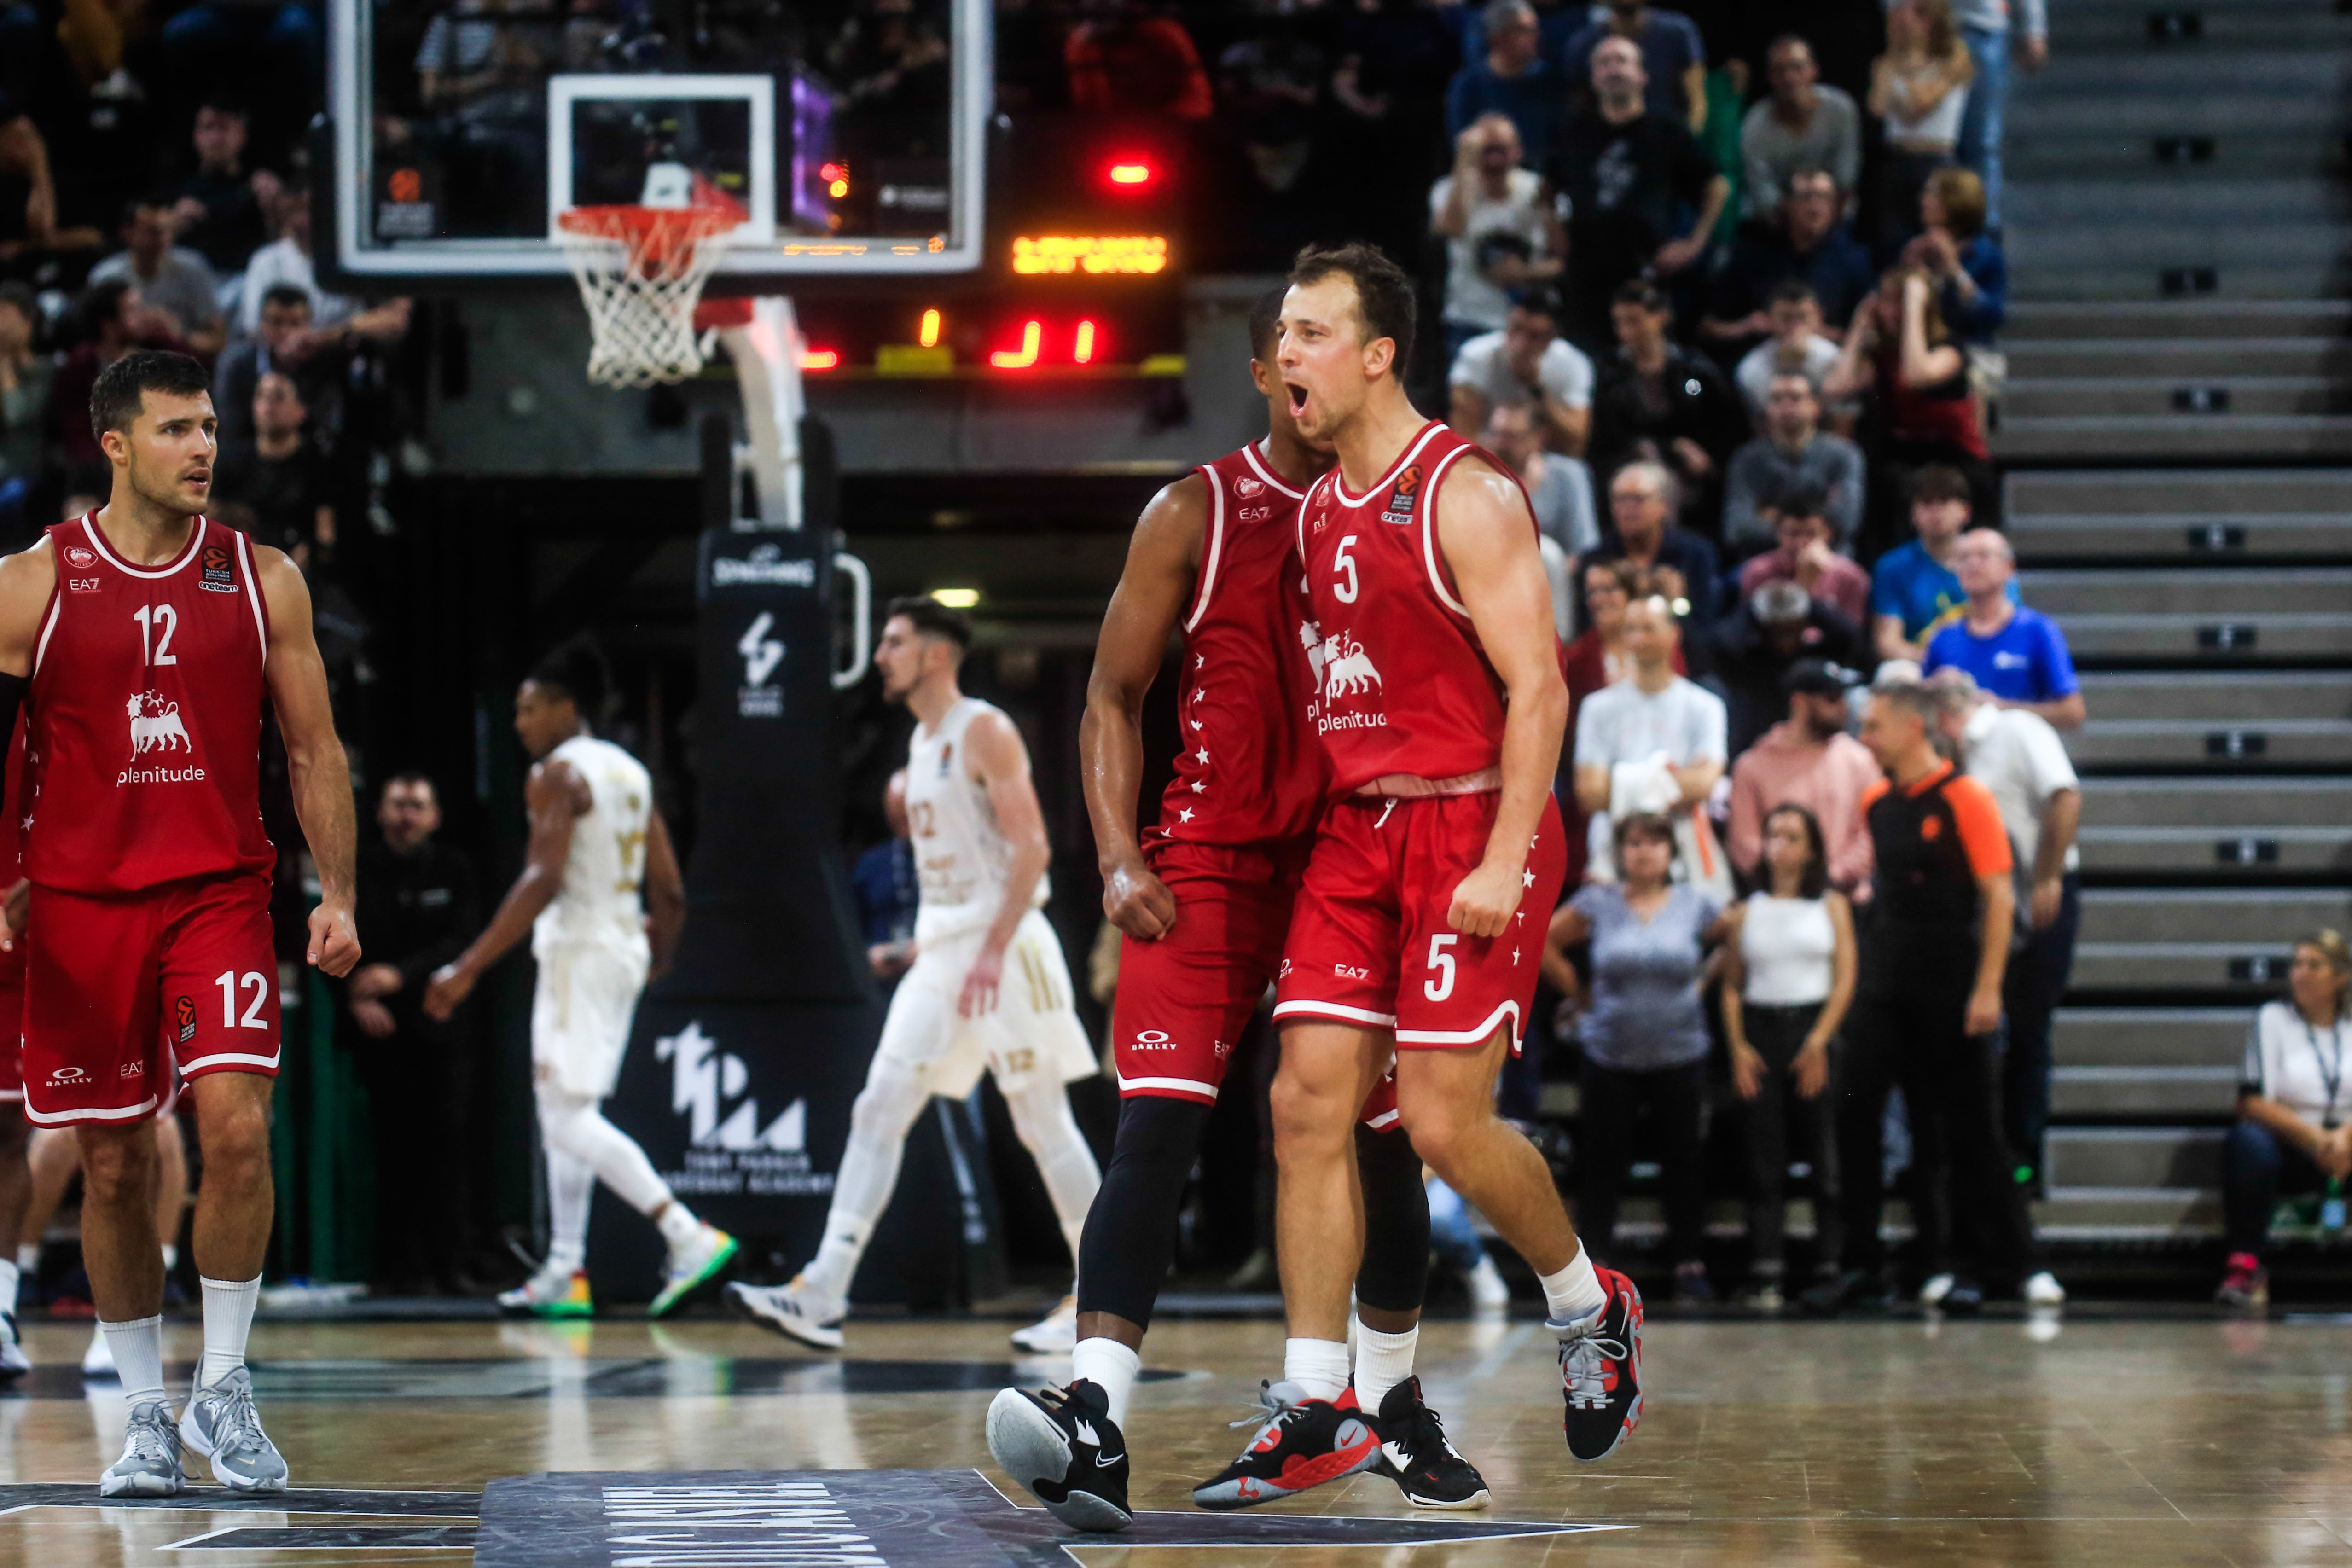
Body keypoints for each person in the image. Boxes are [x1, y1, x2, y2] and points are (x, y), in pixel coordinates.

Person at [987, 294, 1487, 1531]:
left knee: (1377, 1139)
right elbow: (1110, 693)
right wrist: (1111, 857)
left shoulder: (1407, 502)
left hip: (1345, 854)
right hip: (1204, 863)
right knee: (1153, 1126)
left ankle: (1387, 1399)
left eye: (1331, 340)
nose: (1307, 366)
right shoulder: (1195, 510)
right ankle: (1092, 1409)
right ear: (1263, 368)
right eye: (1291, 345)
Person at [1205, 242, 1635, 1495]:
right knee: (1304, 1102)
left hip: (1469, 820)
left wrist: (1505, 853)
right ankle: (1315, 1396)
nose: (1284, 353)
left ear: (1377, 352)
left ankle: (1583, 1301)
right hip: (1359, 831)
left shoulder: (1466, 492)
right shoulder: (1315, 506)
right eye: (1281, 332)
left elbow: (1539, 689)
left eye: (1310, 333)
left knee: (1442, 1123)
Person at [0, 348, 361, 1496]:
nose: (204, 447)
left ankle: (227, 1387)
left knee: (239, 1132)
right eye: (174, 430)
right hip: (78, 902)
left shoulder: (262, 577)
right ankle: (148, 1418)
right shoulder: (32, 581)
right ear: (113, 444)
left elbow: (312, 748)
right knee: (109, 1167)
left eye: (208, 426)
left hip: (217, 888)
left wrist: (339, 893)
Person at [728, 600, 1101, 1357]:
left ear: (934, 654)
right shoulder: (920, 738)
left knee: (1040, 1121)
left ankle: (1099, 1298)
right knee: (879, 1106)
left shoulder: (983, 728)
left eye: (893, 642)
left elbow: (1031, 849)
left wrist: (994, 949)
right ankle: (823, 1289)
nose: (879, 655)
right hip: (942, 951)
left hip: (1001, 945)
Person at [423, 644, 735, 1320]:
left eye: (531, 707)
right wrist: (657, 955)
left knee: (566, 1115)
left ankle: (686, 1232)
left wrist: (467, 967)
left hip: (579, 948)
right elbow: (672, 892)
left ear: (568, 707)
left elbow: (543, 877)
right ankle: (566, 1266)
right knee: (563, 1109)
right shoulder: (632, 773)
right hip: (620, 946)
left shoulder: (557, 773)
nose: (520, 721)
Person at [1802, 681, 2062, 1315]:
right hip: (1887, 981)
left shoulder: (1964, 798)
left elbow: (1999, 896)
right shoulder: (1878, 802)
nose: (1865, 738)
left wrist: (1988, 987)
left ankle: (1988, 1263)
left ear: (1915, 728)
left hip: (1953, 982)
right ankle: (1862, 1264)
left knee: (1967, 1125)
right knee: (1855, 1111)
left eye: (1876, 727)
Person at [1543, 813, 1729, 1300]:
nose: (1643, 851)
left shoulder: (1694, 903)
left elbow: (1735, 940)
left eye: (1654, 842)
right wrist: (1579, 992)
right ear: (1620, 852)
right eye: (1634, 843)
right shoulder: (1599, 903)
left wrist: (1705, 984)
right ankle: (1595, 1269)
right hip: (1609, 1052)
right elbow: (1546, 942)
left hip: (1680, 1050)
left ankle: (1689, 1263)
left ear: (1671, 851)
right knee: (1602, 1163)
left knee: (1683, 1160)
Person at [1935, 669, 2079, 1194]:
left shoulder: (2017, 731)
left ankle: (2024, 1161)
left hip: (2036, 892)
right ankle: (1986, 1158)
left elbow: (2065, 795)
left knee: (2027, 1027)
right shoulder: (1959, 756)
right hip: (1986, 903)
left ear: (1947, 714)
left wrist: (2049, 875)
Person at [343, 772, 482, 1296]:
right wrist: (358, 996)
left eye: (417, 805)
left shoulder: (456, 869)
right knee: (392, 1148)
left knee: (448, 1142)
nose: (407, 815)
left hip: (442, 1027)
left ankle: (454, 1266)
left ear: (435, 816)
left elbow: (464, 939)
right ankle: (396, 1269)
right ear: (379, 812)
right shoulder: (358, 871)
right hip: (382, 1033)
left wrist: (401, 974)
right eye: (398, 804)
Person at [1720, 802, 1854, 1307]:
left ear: (1812, 848)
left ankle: (1828, 1266)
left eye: (1792, 836)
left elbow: (1846, 977)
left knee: (1825, 1156)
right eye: (1773, 833)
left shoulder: (1831, 905)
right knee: (1763, 1158)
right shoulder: (1747, 909)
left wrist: (1819, 1038)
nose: (1780, 844)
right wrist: (1737, 1046)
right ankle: (1767, 1268)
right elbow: (1732, 986)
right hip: (1761, 1029)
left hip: (1814, 1028)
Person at [1545, 38, 1727, 346]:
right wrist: (1553, 229)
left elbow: (1717, 185)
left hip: (1647, 270)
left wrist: (1694, 243)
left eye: (1621, 61)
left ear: (1643, 75)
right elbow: (1547, 188)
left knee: (1651, 358)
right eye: (1603, 63)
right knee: (1590, 362)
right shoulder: (1573, 131)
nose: (1612, 69)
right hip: (1586, 275)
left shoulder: (1668, 130)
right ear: (1592, 78)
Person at [2218, 932, 2352, 1310]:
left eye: (2313, 965)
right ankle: (2245, 1264)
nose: (2300, 973)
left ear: (2339, 978)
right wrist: (2315, 1139)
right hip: (2291, 1148)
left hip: (2346, 1149)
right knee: (2247, 1142)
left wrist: (2343, 1139)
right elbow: (2252, 1102)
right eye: (2296, 965)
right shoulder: (2273, 1019)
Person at [1572, 590, 1727, 880]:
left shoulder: (1706, 707)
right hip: (1611, 855)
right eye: (1631, 629)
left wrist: (1620, 780)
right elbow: (1590, 793)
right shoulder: (1598, 707)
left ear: (1673, 633)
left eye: (1649, 628)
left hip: (1683, 856)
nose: (1639, 638)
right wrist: (1665, 776)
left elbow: (1705, 784)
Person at [1825, 270, 1991, 540]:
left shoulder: (1949, 349)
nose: (1889, 311)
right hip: (1904, 457)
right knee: (1883, 479)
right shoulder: (1881, 353)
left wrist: (1914, 309)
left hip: (1954, 456)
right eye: (1885, 302)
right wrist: (1858, 328)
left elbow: (1916, 376)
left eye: (1898, 303)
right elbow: (1834, 389)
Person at [1588, 281, 1744, 525]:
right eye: (1620, 323)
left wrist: (1709, 459)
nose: (1627, 332)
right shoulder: (1610, 376)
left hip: (1695, 473)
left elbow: (1726, 424)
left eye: (1635, 321)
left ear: (1661, 316)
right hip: (1634, 465)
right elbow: (1607, 437)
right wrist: (1669, 446)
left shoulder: (1696, 371)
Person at [1726, 658, 1876, 896]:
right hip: (1776, 902)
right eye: (1832, 698)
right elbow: (1745, 843)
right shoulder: (1753, 765)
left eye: (1843, 697)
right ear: (1800, 702)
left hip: (1849, 902)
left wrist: (1829, 877)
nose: (1844, 708)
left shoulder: (1860, 760)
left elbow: (1871, 834)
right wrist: (1785, 882)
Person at [1431, 122, 1565, 372]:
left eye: (1501, 150)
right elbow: (1449, 230)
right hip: (1469, 318)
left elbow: (1563, 259)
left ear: (1518, 151)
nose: (1494, 160)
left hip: (1529, 322)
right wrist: (1464, 164)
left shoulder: (1539, 190)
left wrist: (1524, 274)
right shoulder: (1450, 190)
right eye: (1486, 150)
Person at [1701, 168, 1874, 362]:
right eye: (1806, 197)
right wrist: (1744, 327)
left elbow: (1870, 337)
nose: (1816, 208)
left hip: (1827, 369)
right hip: (1759, 364)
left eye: (1825, 198)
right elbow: (1707, 326)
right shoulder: (1752, 255)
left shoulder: (1854, 260)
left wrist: (1816, 333)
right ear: (1786, 204)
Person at [1922, 529, 2083, 729]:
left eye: (1984, 556)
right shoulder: (1943, 636)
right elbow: (1920, 714)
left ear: (2008, 567)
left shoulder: (2037, 631)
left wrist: (2001, 709)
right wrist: (1934, 691)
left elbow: (2073, 713)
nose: (1972, 564)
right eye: (1964, 558)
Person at [1869, 0, 1973, 256]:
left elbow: (1920, 105)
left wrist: (1901, 74)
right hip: (1896, 159)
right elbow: (1877, 107)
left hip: (1936, 161)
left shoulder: (1955, 59)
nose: (1906, 21)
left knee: (1938, 244)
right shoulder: (1887, 62)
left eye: (1918, 15)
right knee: (1893, 245)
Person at [1716, 581, 1866, 759]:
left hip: (1814, 740)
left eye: (1792, 628)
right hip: (1759, 736)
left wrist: (1809, 605)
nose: (1786, 638)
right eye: (1780, 630)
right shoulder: (1751, 656)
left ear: (1804, 623)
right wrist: (1753, 610)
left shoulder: (1816, 653)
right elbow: (1721, 642)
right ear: (1765, 627)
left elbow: (1849, 635)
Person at [1870, 465, 2004, 663]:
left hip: (1984, 662)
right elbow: (1888, 643)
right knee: (1896, 675)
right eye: (1926, 503)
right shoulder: (1892, 567)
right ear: (1913, 514)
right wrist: (1938, 663)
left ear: (1965, 511)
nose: (1935, 512)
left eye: (1944, 501)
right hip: (1919, 667)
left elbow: (2006, 629)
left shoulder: (1992, 559)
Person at [1580, 459, 1722, 641]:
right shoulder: (1596, 560)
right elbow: (1585, 630)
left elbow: (1704, 631)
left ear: (1664, 505)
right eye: (1620, 500)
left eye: (1638, 499)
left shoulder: (1695, 555)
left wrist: (1677, 604)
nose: (1627, 509)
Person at [1722, 375, 1866, 556]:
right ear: (1767, 409)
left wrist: (1772, 516)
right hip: (1765, 560)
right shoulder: (1747, 459)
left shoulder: (1845, 454)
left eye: (1796, 398)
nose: (1786, 406)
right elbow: (1737, 529)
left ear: (1815, 406)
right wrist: (1816, 520)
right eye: (1777, 399)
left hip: (1830, 558)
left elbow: (1846, 522)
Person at [1447, 292, 1591, 458]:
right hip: (1487, 453)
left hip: (1544, 459)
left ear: (1552, 338)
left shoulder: (1573, 365)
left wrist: (1537, 390)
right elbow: (1463, 434)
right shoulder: (1477, 356)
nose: (1520, 345)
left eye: (1534, 336)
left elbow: (1576, 443)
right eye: (1515, 330)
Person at [209, 372, 331, 563]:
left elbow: (326, 534)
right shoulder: (229, 461)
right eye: (261, 396)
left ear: (301, 410)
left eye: (279, 396)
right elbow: (207, 523)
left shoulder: (316, 465)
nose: (268, 404)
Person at [1951, 0, 2047, 233]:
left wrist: (2033, 28)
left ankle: (1984, 230)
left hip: (1983, 27)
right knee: (1935, 145)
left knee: (1983, 141)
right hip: (1928, 26)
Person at [88, 201, 226, 360]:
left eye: (167, 231)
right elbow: (92, 345)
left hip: (181, 366)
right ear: (128, 233)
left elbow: (218, 342)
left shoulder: (193, 269)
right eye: (153, 232)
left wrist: (178, 333)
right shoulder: (106, 277)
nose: (162, 240)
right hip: (121, 365)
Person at [1741, 36, 1861, 218]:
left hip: (1832, 213)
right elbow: (1762, 189)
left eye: (1797, 68)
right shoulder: (1755, 124)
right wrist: (1796, 215)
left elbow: (1846, 177)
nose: (1789, 78)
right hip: (1778, 219)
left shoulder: (1841, 109)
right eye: (1780, 71)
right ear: (1770, 78)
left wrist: (1820, 211)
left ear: (1814, 70)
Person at [163, 101, 276, 277]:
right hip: (191, 283)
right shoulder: (174, 189)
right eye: (208, 128)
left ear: (242, 136)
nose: (216, 138)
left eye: (225, 129)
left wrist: (274, 210)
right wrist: (172, 227)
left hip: (246, 279)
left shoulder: (261, 186)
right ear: (196, 136)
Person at [1557, 0, 1708, 131]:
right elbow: (1575, 106)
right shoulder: (1583, 43)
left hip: (1667, 139)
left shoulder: (1677, 32)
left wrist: (1686, 141)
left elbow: (1697, 99)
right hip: (1605, 142)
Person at [1442, 0, 1559, 169]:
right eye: (1525, 30)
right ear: (1498, 38)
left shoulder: (1548, 81)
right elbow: (1463, 146)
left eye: (1535, 29)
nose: (1536, 36)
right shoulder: (1468, 87)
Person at [1484, 400, 1597, 562]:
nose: (1501, 445)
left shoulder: (1567, 475)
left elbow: (1583, 548)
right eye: (1496, 434)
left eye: (1512, 437)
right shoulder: (1478, 479)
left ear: (1538, 438)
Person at [1737, 488, 1869, 625]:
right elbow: (1761, 631)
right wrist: (1803, 585)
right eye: (1793, 534)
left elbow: (1851, 637)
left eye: (1811, 534)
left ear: (1828, 534)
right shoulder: (1757, 572)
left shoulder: (1852, 577)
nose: (1800, 543)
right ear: (1778, 533)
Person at [1905, 167, 2004, 345]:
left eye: (1932, 194)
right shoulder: (1919, 247)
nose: (1923, 200)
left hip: (1968, 349)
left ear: (1954, 201)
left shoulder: (1984, 254)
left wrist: (1954, 269)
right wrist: (1909, 268)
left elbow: (1993, 316)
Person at [1731, 284, 1851, 430]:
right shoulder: (1751, 370)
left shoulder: (1835, 361)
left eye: (1803, 317)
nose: (1795, 327)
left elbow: (1844, 428)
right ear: (1769, 319)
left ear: (1818, 317)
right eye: (1787, 318)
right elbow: (1762, 433)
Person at [851, 769, 918, 982]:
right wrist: (865, 957)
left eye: (909, 817)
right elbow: (850, 929)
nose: (906, 829)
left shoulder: (957, 861)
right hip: (882, 977)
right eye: (898, 819)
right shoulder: (872, 864)